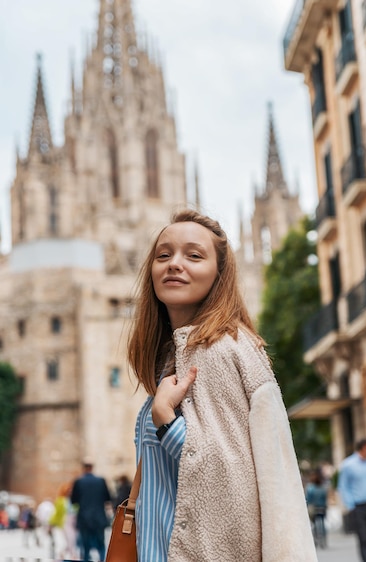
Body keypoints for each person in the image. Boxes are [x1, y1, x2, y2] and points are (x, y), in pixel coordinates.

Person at [127, 209, 317, 562]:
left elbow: (234, 476)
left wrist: (165, 419)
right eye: (163, 255)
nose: (174, 264)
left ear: (219, 274)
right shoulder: (173, 354)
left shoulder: (222, 349)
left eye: (194, 255)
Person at [70, 456, 112, 561]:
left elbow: (73, 501)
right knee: (101, 545)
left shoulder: (79, 482)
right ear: (92, 468)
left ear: (83, 468)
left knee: (85, 546)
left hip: (84, 517)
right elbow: (108, 498)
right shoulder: (101, 481)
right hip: (99, 517)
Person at [306, 469, 328, 548]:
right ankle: (324, 540)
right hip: (322, 507)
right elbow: (325, 498)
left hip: (314, 508)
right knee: (322, 524)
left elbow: (308, 499)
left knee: (314, 525)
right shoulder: (322, 487)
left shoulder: (310, 488)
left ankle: (316, 540)